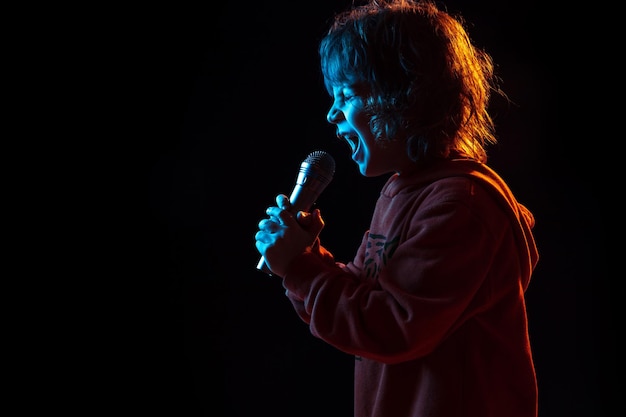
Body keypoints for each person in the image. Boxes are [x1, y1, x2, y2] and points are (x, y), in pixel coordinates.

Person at [254, 0, 539, 416]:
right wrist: (304, 256)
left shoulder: (461, 204)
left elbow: (393, 328)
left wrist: (299, 268)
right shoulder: (402, 189)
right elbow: (368, 298)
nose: (332, 112)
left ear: (406, 95)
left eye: (348, 93)